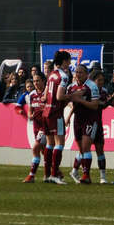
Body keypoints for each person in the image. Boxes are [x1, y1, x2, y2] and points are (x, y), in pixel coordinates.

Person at [64, 65, 101, 184]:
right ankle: (75, 171)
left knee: (86, 147)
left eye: (81, 72)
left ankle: (86, 175)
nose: (78, 74)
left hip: (90, 119)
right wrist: (69, 116)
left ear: (86, 74)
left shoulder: (92, 86)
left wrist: (80, 100)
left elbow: (95, 105)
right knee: (81, 149)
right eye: (76, 72)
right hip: (78, 120)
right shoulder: (71, 87)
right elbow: (71, 103)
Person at [42, 50, 72, 185]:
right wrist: (73, 96)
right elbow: (59, 96)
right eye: (69, 60)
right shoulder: (63, 76)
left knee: (49, 144)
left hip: (46, 112)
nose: (70, 63)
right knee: (60, 144)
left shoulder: (51, 75)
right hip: (56, 113)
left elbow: (44, 96)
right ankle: (54, 175)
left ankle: (47, 175)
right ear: (64, 61)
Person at [22, 73, 47, 183]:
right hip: (36, 126)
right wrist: (30, 115)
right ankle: (52, 173)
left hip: (45, 126)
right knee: (44, 151)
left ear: (43, 81)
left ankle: (31, 175)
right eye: (34, 81)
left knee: (35, 148)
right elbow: (30, 110)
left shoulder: (47, 94)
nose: (36, 83)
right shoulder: (32, 95)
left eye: (38, 81)